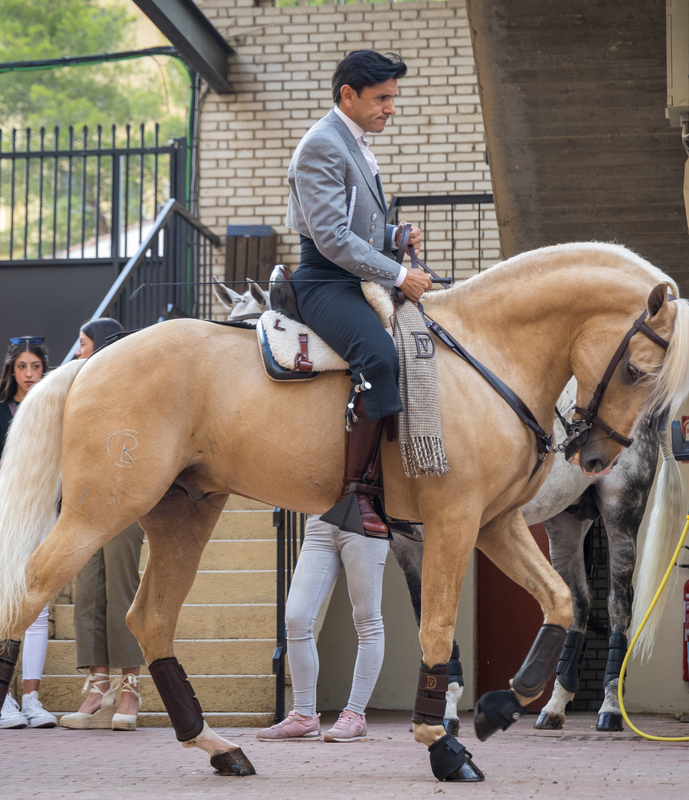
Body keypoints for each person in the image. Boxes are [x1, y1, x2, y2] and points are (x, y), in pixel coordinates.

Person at [285, 49, 428, 536]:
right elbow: (330, 237)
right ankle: (355, 494)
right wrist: (398, 273)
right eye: (382, 98)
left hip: (350, 274)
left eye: (393, 97)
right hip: (324, 281)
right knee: (379, 355)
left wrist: (392, 236)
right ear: (348, 95)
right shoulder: (322, 144)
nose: (392, 107)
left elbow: (358, 229)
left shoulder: (353, 140)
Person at [61, 318, 145, 731]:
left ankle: (130, 688)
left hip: (125, 498)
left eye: (82, 343)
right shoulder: (80, 389)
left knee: (121, 591)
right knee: (88, 594)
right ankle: (99, 687)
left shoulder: (132, 389)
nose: (77, 352)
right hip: (85, 502)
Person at [0, 336, 56, 729]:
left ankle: (32, 699)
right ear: (11, 371)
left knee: (39, 609)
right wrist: (17, 460)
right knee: (3, 604)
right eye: (22, 367)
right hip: (6, 516)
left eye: (35, 366)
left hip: (45, 515)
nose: (29, 374)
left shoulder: (56, 410)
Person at [255, 515, 388, 742]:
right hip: (319, 520)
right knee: (297, 618)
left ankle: (355, 714)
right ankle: (304, 717)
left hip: (365, 517)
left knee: (367, 619)